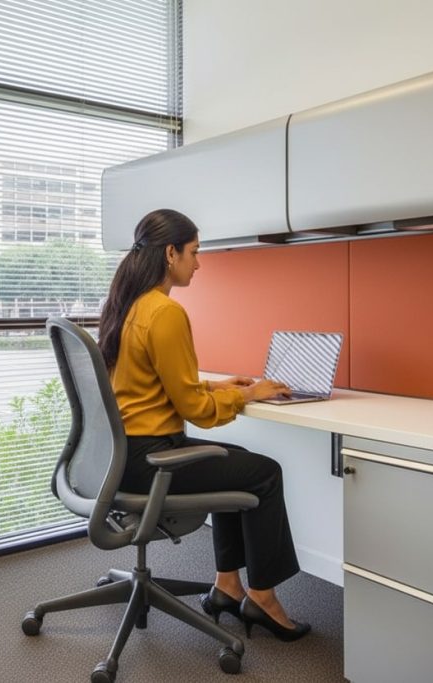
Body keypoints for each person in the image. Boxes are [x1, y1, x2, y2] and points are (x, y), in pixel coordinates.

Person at [97, 208, 310, 641]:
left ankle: (227, 586)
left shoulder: (129, 305)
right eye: (194, 252)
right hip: (153, 460)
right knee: (264, 474)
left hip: (123, 455)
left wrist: (218, 386)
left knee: (243, 462)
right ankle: (263, 598)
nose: (199, 263)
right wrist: (249, 393)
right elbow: (195, 410)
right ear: (170, 253)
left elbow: (157, 384)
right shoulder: (165, 312)